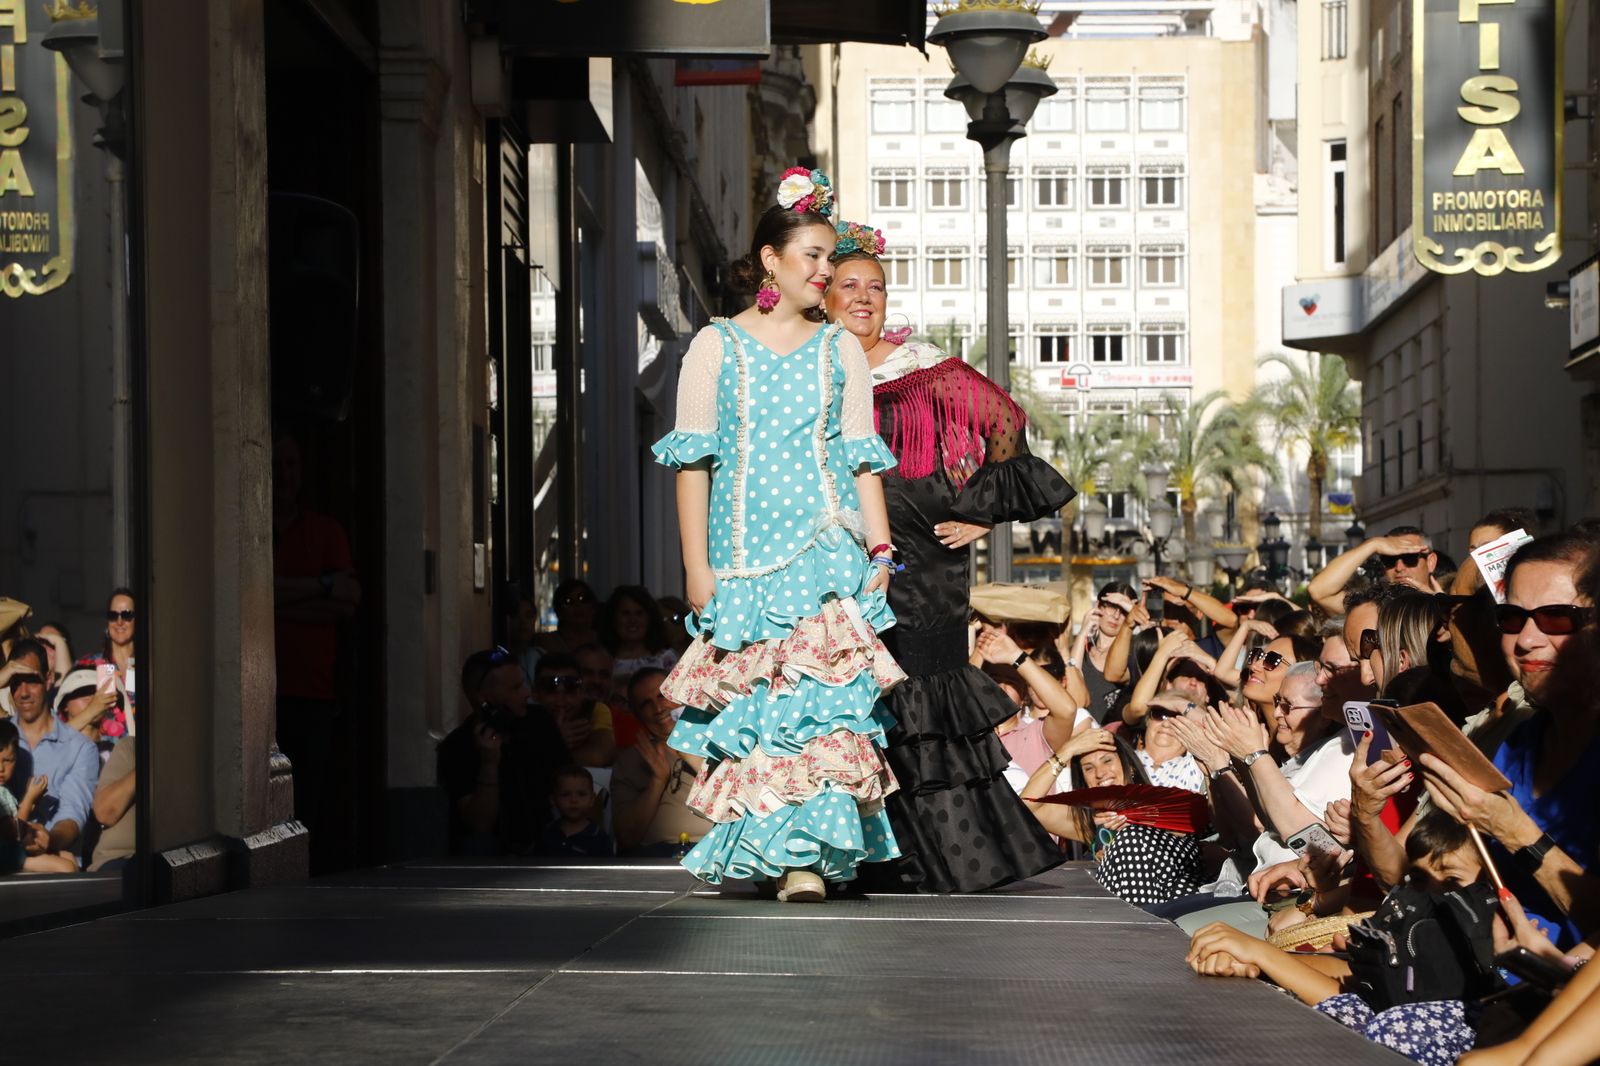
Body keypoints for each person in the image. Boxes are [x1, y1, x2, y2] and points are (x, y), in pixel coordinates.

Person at [654, 175, 902, 902]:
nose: (825, 272)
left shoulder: (839, 352)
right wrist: (695, 568)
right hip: (741, 561)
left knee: (823, 711)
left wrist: (881, 552)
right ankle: (766, 851)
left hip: (826, 552)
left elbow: (861, 458)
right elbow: (691, 463)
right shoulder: (714, 346)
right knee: (759, 716)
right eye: (814, 257)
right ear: (771, 259)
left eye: (831, 260)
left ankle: (809, 860)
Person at [821, 221, 1074, 893]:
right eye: (849, 286)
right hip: (831, 559)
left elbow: (1004, 424)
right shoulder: (807, 365)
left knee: (920, 695)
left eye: (875, 287)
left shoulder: (921, 368)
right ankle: (863, 856)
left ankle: (951, 857)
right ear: (824, 295)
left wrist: (980, 511)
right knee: (850, 696)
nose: (865, 298)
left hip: (923, 563)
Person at [1186, 811, 1493, 1066]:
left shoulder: (1476, 955)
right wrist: (1252, 961)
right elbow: (1351, 979)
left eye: (1452, 881)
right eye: (1419, 880)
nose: (1431, 893)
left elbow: (1362, 1005)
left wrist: (1262, 955)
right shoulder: (1411, 928)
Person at [272, 430, 361, 872]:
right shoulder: (249, 530)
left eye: (291, 465)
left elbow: (346, 602)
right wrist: (319, 586)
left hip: (314, 691)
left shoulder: (326, 532)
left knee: (311, 800)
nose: (283, 476)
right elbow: (250, 596)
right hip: (261, 695)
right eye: (275, 465)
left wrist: (277, 603)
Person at [1020, 728, 1202, 904]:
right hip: (1115, 916)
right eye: (1089, 768)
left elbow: (1199, 843)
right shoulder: (1090, 821)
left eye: (1107, 761)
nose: (1100, 773)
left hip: (1169, 907)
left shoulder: (1165, 807)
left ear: (1129, 766)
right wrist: (1067, 751)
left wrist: (1134, 831)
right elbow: (1027, 807)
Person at [437, 647, 571, 856]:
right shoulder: (458, 745)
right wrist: (489, 764)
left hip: (545, 840)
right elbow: (479, 827)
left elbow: (568, 781)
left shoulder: (539, 723)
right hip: (493, 852)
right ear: (484, 698)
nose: (526, 693)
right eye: (516, 688)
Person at [4, 640, 98, 863]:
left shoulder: (80, 748)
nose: (23, 693)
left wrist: (50, 839)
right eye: (15, 682)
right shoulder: (2, 734)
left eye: (32, 680)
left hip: (50, 869)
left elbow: (73, 815)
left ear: (48, 680)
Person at [611, 667, 710, 855]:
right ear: (638, 715)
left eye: (662, 696)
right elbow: (626, 838)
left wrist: (687, 751)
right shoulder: (632, 759)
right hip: (657, 858)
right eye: (645, 704)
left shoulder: (718, 740)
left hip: (717, 853)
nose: (657, 709)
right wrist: (657, 781)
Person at [0, 720, 78, 873]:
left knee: (69, 857)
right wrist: (28, 800)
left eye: (8, 760)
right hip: (7, 857)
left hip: (12, 852)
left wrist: (32, 801)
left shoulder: (4, 790)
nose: (1, 768)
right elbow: (15, 831)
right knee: (66, 868)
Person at [1309, 525, 1441, 614]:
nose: (1399, 568)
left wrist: (1442, 607)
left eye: (1409, 558)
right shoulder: (1375, 608)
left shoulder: (1449, 608)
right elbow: (1319, 591)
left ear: (1431, 562)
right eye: (1389, 559)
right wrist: (1373, 544)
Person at [600, 585, 679, 687]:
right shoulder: (601, 660)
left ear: (650, 618)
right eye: (625, 613)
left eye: (639, 613)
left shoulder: (667, 659)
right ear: (613, 618)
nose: (632, 620)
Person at [536, 765, 614, 858]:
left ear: (592, 799)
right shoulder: (547, 833)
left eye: (581, 794)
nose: (574, 800)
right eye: (566, 794)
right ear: (553, 799)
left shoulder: (600, 839)